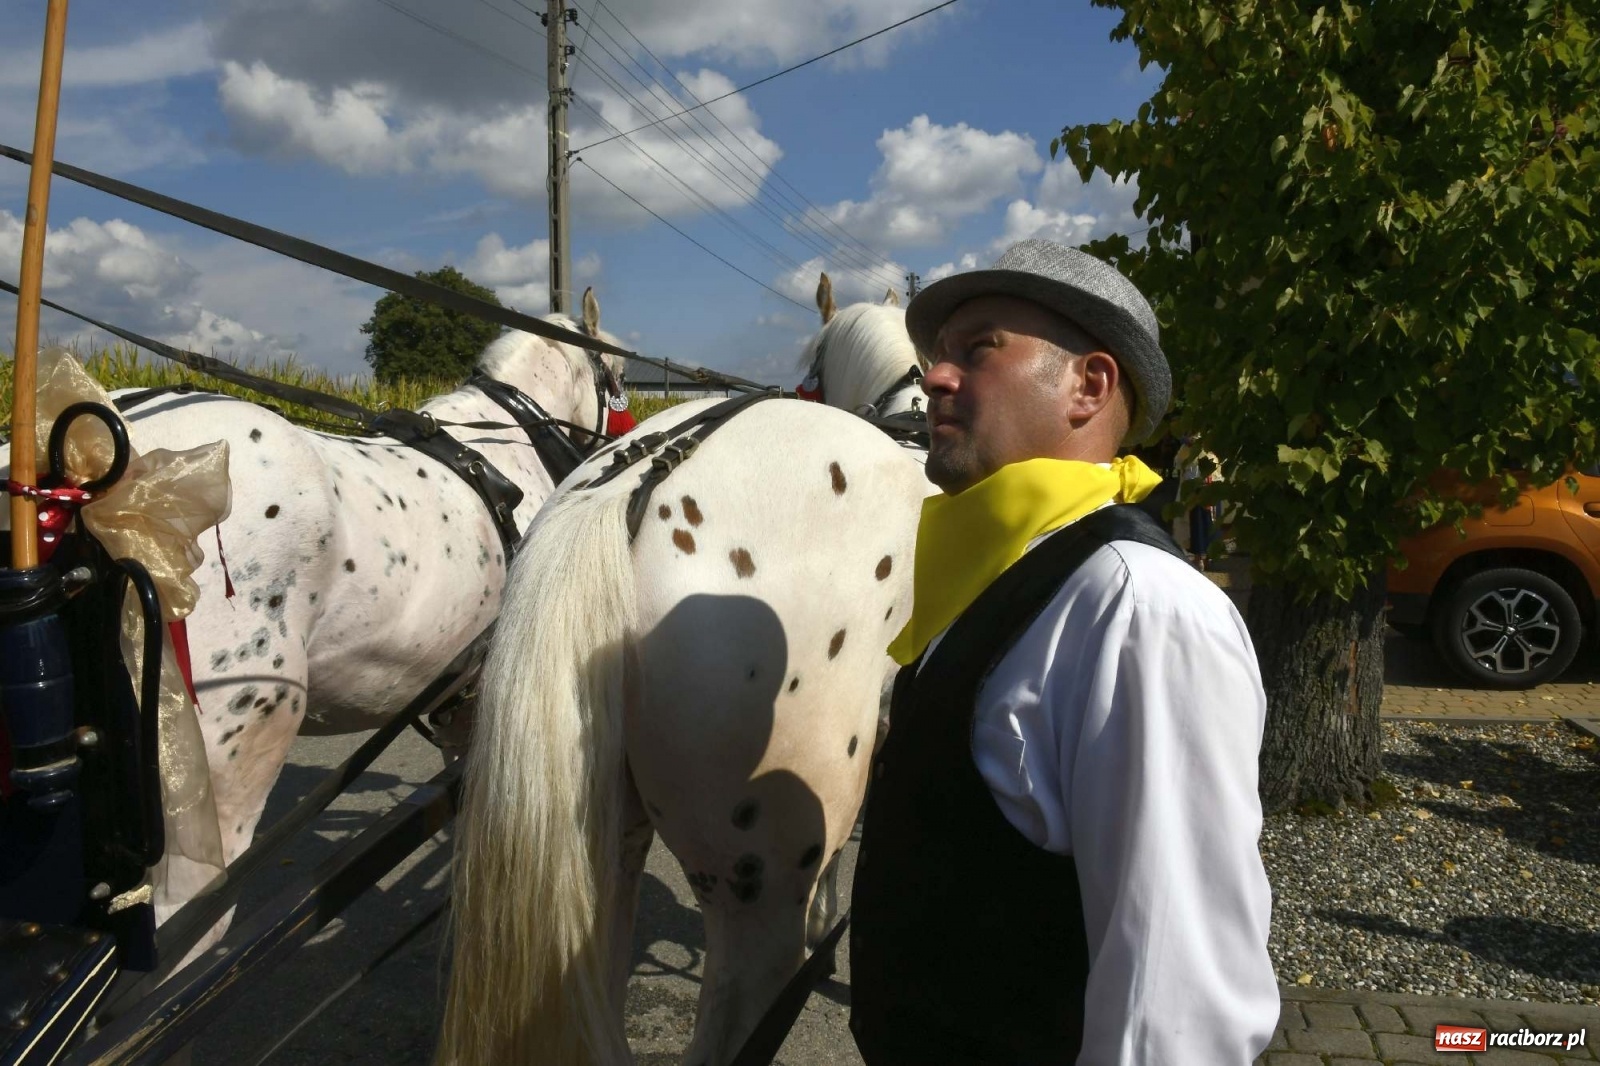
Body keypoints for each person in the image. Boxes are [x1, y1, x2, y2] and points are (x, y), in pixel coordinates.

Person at [849, 239, 1278, 1065]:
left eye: (979, 350)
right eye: (938, 357)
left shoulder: (1139, 608)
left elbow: (1175, 1006)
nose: (936, 378)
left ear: (1089, 386)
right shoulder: (995, 575)